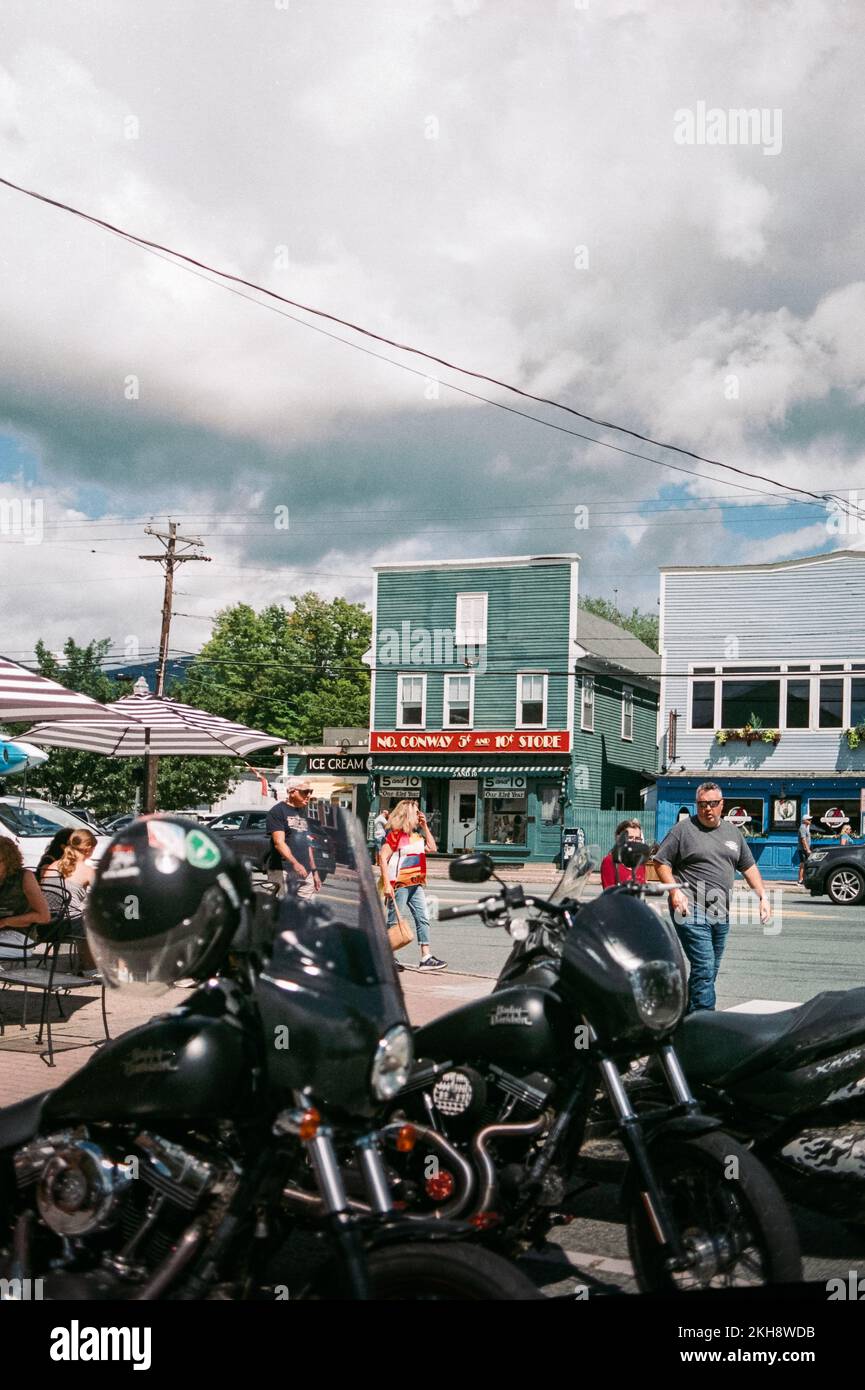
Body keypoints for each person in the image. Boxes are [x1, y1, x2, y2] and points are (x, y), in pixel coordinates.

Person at [653, 781, 770, 1013]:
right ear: (697, 805)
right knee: (704, 967)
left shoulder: (733, 833)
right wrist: (675, 891)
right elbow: (660, 862)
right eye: (702, 804)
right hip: (690, 909)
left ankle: (683, 1017)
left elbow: (748, 867)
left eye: (713, 804)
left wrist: (763, 897)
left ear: (722, 805)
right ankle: (706, 1023)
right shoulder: (683, 830)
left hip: (720, 913)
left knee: (707, 971)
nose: (708, 808)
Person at [379, 800, 447, 971]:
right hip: (400, 883)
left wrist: (425, 827)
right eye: (417, 812)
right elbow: (382, 857)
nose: (419, 815)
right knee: (394, 921)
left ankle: (426, 957)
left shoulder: (416, 836)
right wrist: (387, 884)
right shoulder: (395, 835)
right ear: (408, 814)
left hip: (416, 883)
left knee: (422, 917)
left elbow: (432, 847)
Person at [39, 828, 99, 971]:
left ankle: (86, 964)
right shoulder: (87, 870)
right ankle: (92, 968)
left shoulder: (53, 866)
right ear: (89, 849)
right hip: (68, 925)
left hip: (44, 925)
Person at [265, 777, 321, 901]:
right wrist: (295, 864)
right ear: (292, 792)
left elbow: (307, 844)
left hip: (305, 872)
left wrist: (314, 871)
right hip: (283, 870)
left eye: (310, 791)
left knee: (307, 913)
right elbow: (279, 843)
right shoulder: (277, 812)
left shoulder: (302, 812)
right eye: (305, 792)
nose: (309, 795)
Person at [0, 838, 51, 959]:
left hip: (20, 936)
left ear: (8, 860)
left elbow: (44, 916)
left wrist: (5, 922)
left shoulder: (24, 877)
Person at [600, 819, 647, 889]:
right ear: (619, 838)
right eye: (630, 838)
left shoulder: (640, 862)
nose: (634, 841)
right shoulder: (610, 861)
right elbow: (609, 893)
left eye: (637, 838)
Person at [797, 812, 812, 885]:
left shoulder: (805, 827)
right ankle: (800, 880)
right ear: (804, 820)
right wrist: (807, 849)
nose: (810, 820)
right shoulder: (802, 827)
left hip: (804, 849)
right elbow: (803, 839)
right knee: (803, 864)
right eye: (809, 819)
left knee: (805, 864)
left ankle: (803, 879)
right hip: (803, 849)